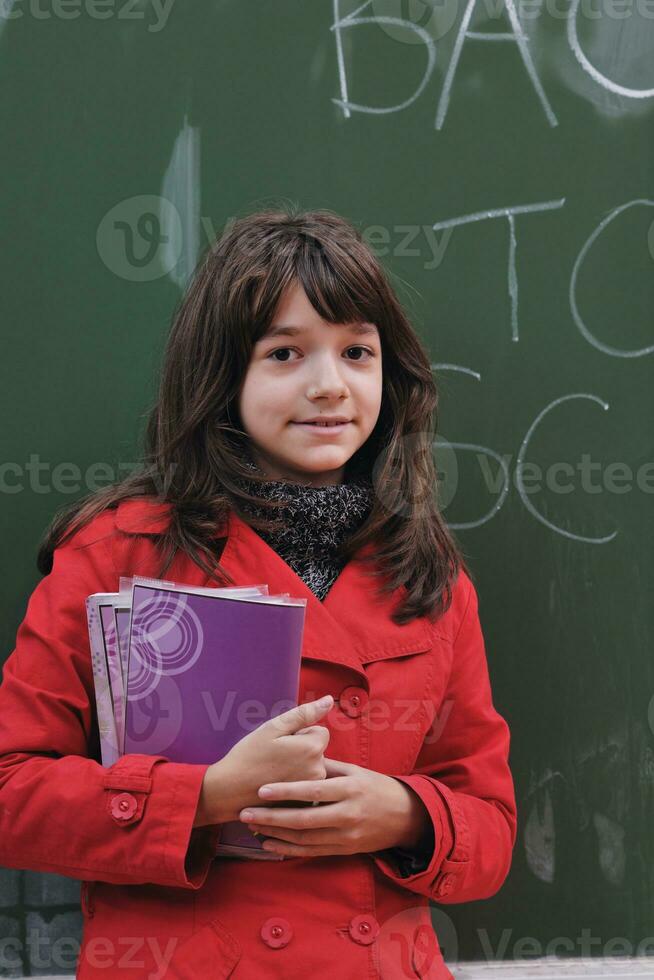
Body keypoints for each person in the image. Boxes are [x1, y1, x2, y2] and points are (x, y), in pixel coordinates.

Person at [0, 206, 517, 979]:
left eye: (356, 351)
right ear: (221, 375)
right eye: (285, 353)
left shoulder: (429, 574)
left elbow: (493, 828)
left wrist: (406, 815)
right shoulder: (116, 554)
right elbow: (11, 792)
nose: (329, 385)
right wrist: (201, 798)